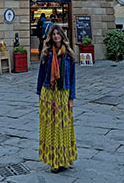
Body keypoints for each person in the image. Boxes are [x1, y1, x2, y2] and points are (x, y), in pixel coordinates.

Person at [36, 25, 77, 173]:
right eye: (53, 34)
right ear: (51, 37)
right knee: (51, 127)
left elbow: (72, 78)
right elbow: (41, 74)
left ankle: (65, 158)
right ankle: (54, 160)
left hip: (63, 93)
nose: (55, 36)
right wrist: (39, 92)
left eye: (57, 34)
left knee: (64, 127)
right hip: (49, 92)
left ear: (62, 35)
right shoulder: (46, 53)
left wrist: (71, 98)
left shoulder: (69, 55)